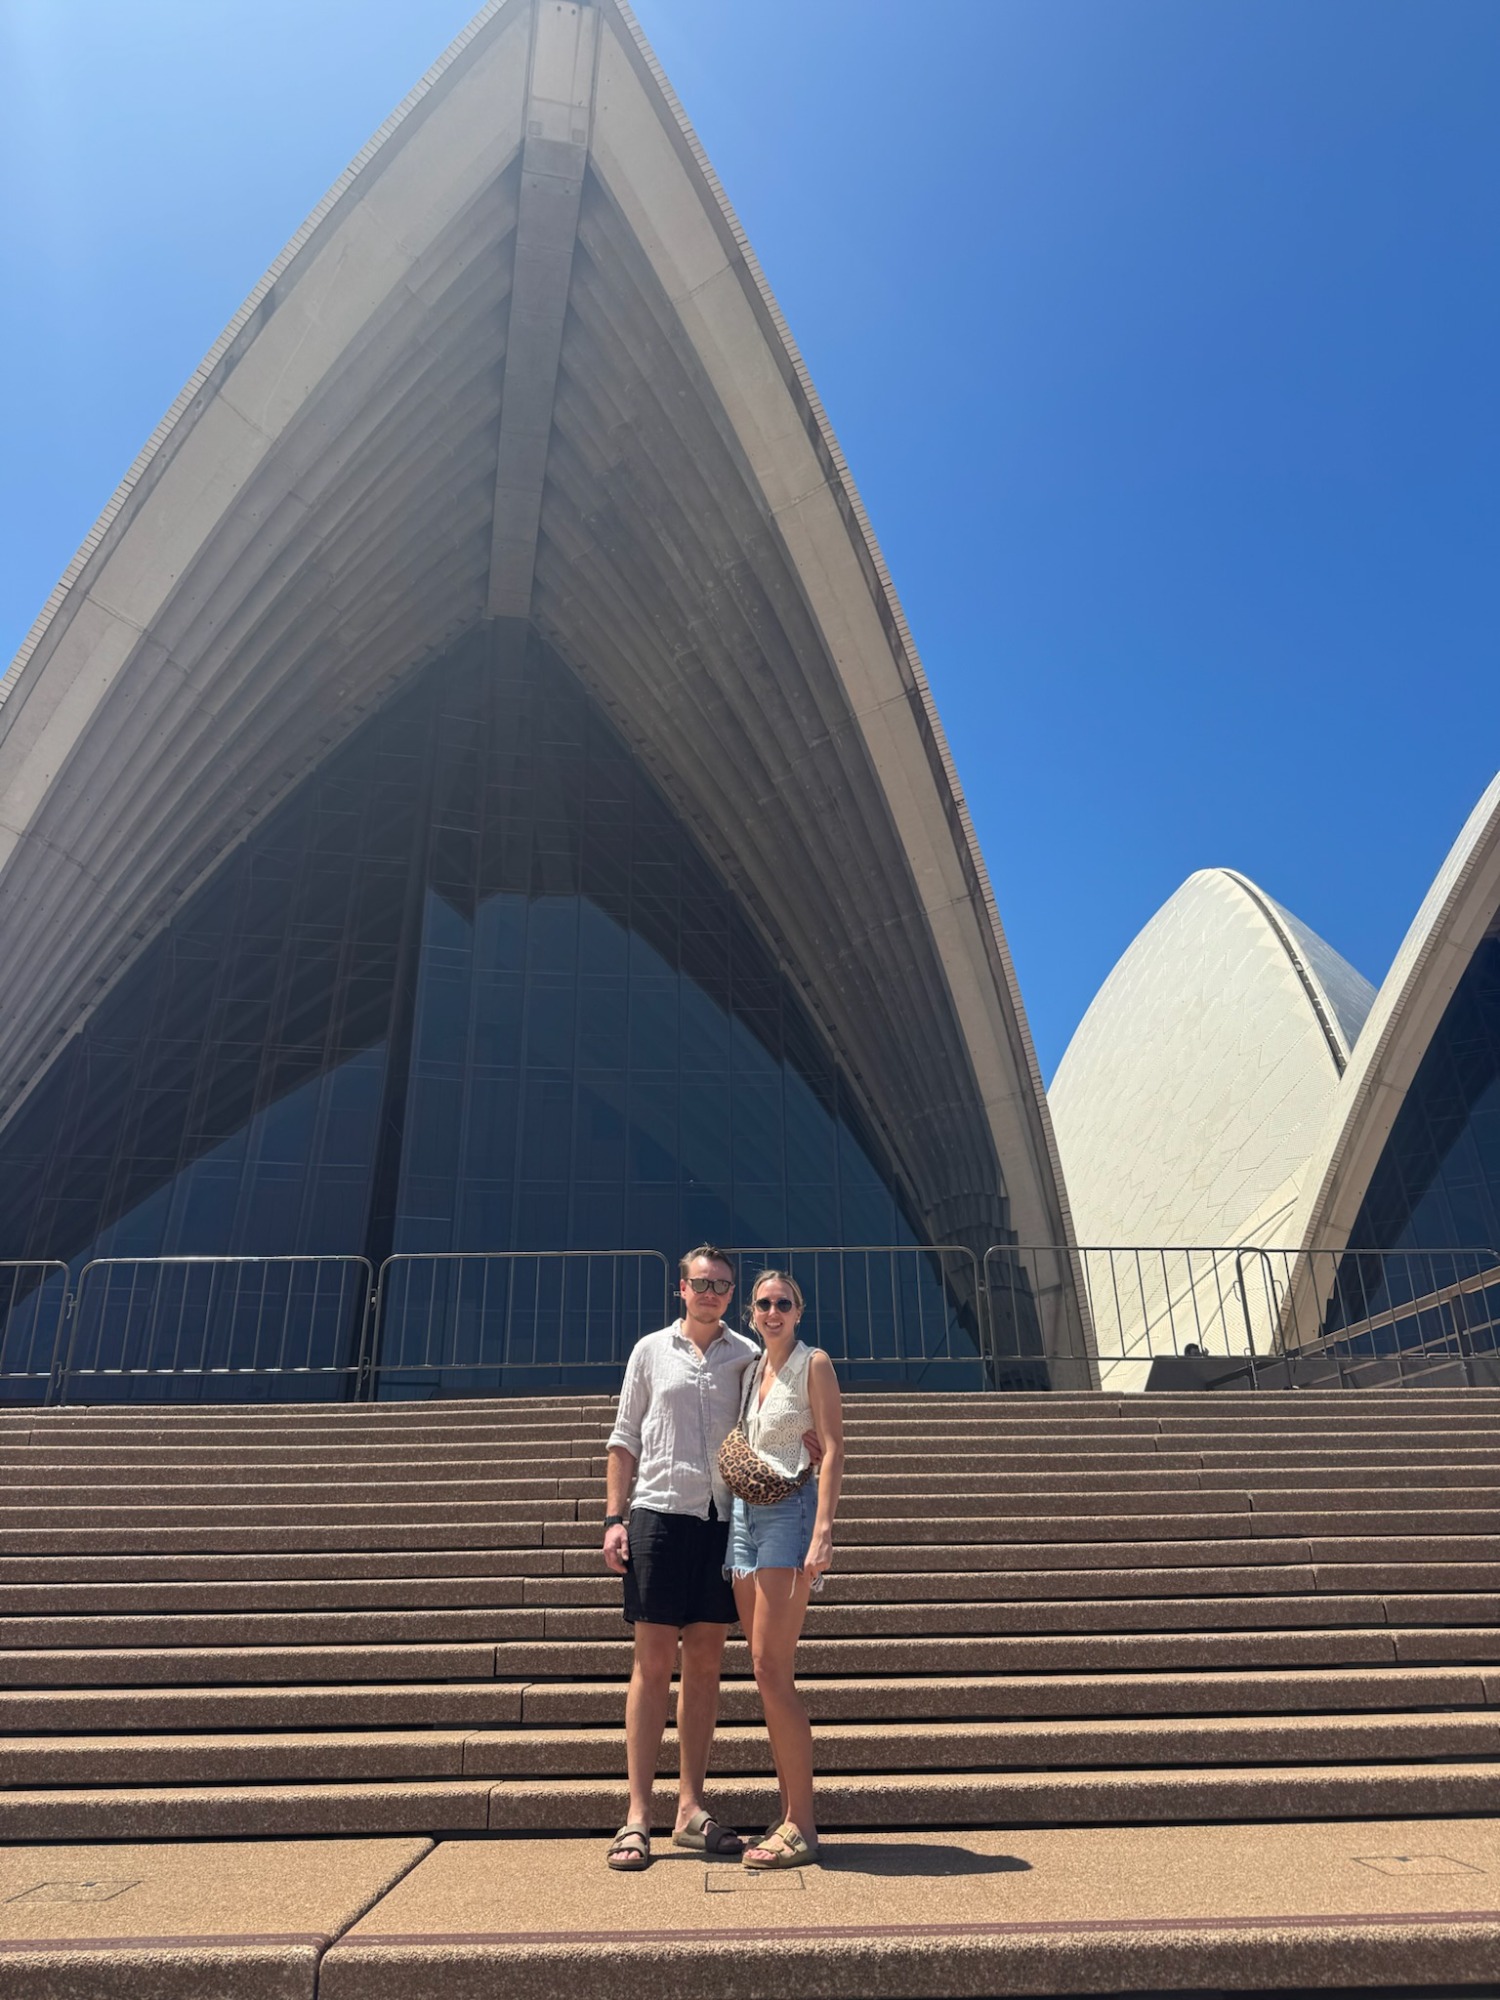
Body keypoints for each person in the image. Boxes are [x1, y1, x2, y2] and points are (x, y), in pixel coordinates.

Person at [600, 1245, 758, 1872]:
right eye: (702, 1283)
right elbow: (624, 1437)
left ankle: (690, 1808)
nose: (711, 1292)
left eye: (722, 1284)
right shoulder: (650, 1350)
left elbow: (766, 1429)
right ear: (682, 1288)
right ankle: (638, 1814)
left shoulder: (747, 1355)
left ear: (731, 1293)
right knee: (652, 1663)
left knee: (707, 1663)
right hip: (658, 1515)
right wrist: (614, 1519)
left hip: (721, 1522)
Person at [729, 1269, 844, 1869]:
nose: (772, 1311)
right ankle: (787, 1813)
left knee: (773, 1668)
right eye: (763, 1303)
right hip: (744, 1517)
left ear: (799, 1311)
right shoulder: (752, 1371)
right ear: (751, 1314)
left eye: (783, 1303)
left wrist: (823, 1530)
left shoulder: (812, 1363)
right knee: (762, 1668)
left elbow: (835, 1446)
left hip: (791, 1513)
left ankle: (803, 1824)